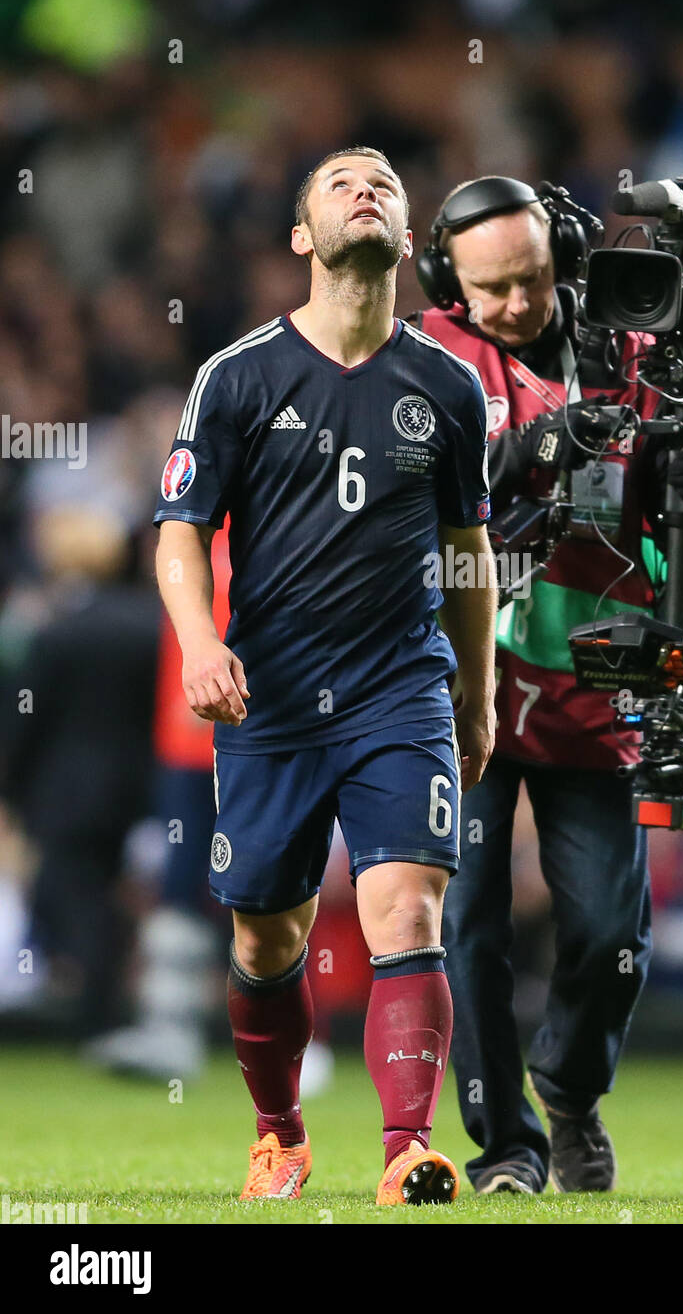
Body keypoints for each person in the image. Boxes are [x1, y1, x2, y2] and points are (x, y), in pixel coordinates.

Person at [153, 147, 497, 1205]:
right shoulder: (239, 375)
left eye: (386, 183)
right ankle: (280, 1133)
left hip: (401, 684)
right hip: (274, 695)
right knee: (267, 932)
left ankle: (407, 1150)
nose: (368, 189)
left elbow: (468, 553)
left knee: (407, 913)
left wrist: (477, 695)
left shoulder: (447, 384)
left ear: (407, 238)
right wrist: (202, 644)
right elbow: (177, 532)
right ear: (303, 235)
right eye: (342, 181)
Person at [413, 176, 683, 1194]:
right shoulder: (427, 356)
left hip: (609, 658)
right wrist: (532, 448)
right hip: (472, 672)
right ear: (446, 280)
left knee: (605, 927)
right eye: (492, 287)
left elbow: (663, 526)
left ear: (567, 257)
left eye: (534, 279)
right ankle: (506, 1144)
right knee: (468, 922)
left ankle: (572, 1087)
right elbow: (424, 489)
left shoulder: (637, 348)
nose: (515, 303)